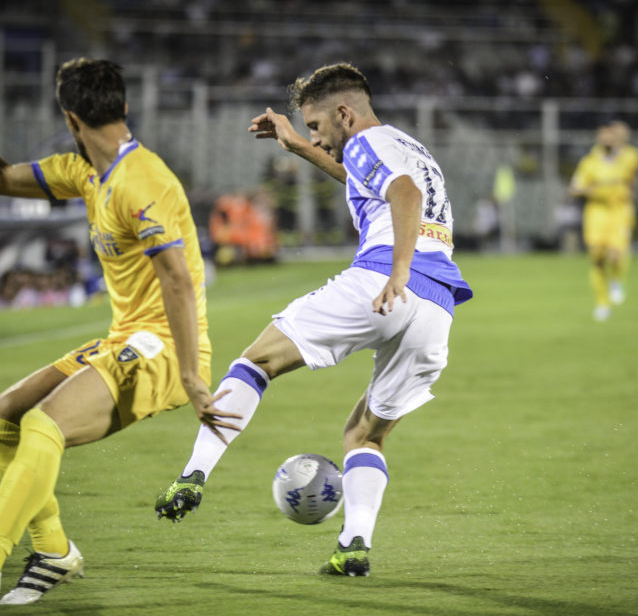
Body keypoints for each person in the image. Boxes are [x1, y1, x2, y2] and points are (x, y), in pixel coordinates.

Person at [0, 49, 235, 605]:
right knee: (5, 416)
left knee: (45, 424)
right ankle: (53, 550)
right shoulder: (85, 173)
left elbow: (176, 281)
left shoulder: (141, 181)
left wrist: (195, 378)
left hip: (165, 350)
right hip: (126, 337)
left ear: (70, 119)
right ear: (122, 106)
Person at [154, 63, 472, 577]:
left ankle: (193, 474)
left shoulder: (369, 143)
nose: (317, 138)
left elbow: (404, 196)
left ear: (345, 114)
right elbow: (374, 184)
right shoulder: (406, 146)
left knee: (256, 362)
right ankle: (353, 545)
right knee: (364, 437)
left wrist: (397, 272)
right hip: (437, 305)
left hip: (384, 281)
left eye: (318, 129)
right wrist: (299, 149)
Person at [568, 119, 638, 321]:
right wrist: (586, 190)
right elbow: (574, 188)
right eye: (603, 135)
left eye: (610, 135)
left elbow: (633, 180)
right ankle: (602, 302)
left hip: (620, 210)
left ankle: (617, 279)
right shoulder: (589, 162)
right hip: (596, 212)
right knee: (597, 258)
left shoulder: (630, 157)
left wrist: (629, 191)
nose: (607, 138)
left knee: (616, 253)